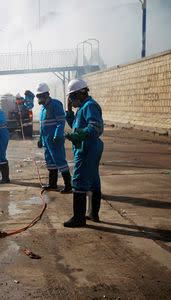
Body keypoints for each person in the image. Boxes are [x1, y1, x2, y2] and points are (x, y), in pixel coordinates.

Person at [64, 78, 104, 227]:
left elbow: (95, 126)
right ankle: (93, 214)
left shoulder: (90, 106)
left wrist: (80, 136)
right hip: (87, 147)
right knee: (93, 180)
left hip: (87, 148)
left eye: (72, 97)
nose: (71, 100)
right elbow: (75, 125)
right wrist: (69, 110)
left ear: (79, 94)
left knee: (79, 180)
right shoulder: (83, 107)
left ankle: (78, 219)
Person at [36, 83, 72, 193]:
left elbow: (61, 121)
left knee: (60, 161)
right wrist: (41, 138)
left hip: (55, 139)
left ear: (47, 94)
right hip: (47, 141)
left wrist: (58, 134)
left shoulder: (55, 104)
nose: (39, 98)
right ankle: (53, 185)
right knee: (50, 162)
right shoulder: (43, 109)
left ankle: (68, 186)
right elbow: (43, 126)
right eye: (37, 96)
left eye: (40, 96)